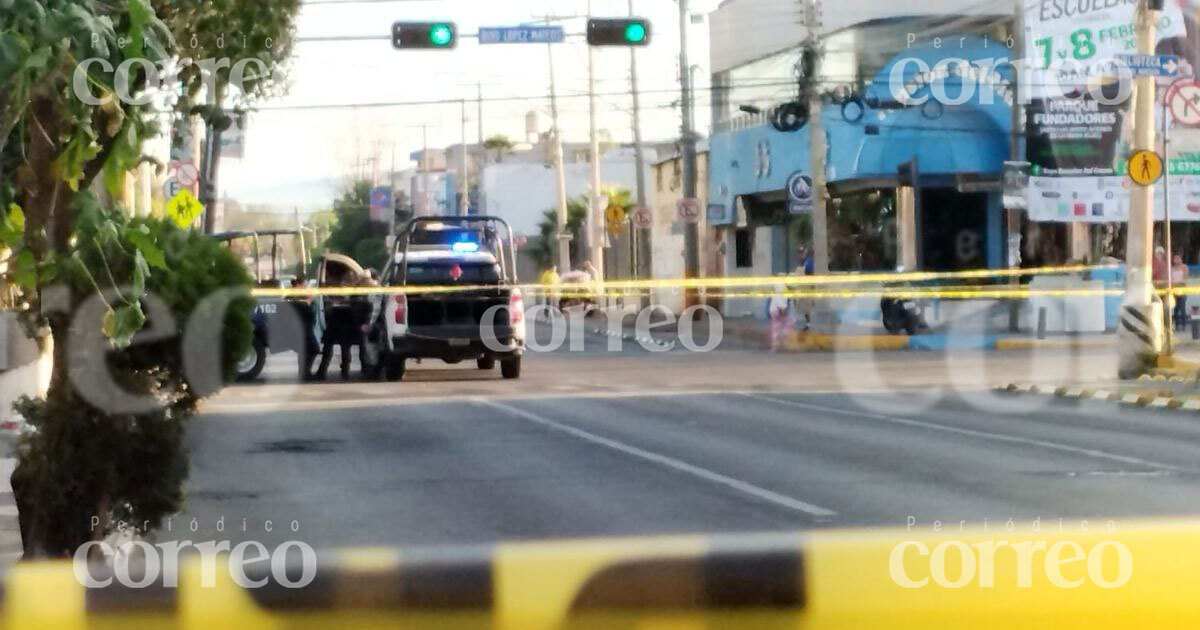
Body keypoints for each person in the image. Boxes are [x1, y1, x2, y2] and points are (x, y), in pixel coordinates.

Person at [1173, 254, 1190, 331]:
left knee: (1182, 308)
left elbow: (1185, 279)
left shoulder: (1184, 267)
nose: (1176, 260)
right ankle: (1177, 325)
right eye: (1175, 258)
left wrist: (1177, 283)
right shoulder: (1172, 268)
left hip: (1182, 290)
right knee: (1176, 309)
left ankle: (1184, 325)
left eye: (1178, 258)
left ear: (1181, 259)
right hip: (1174, 290)